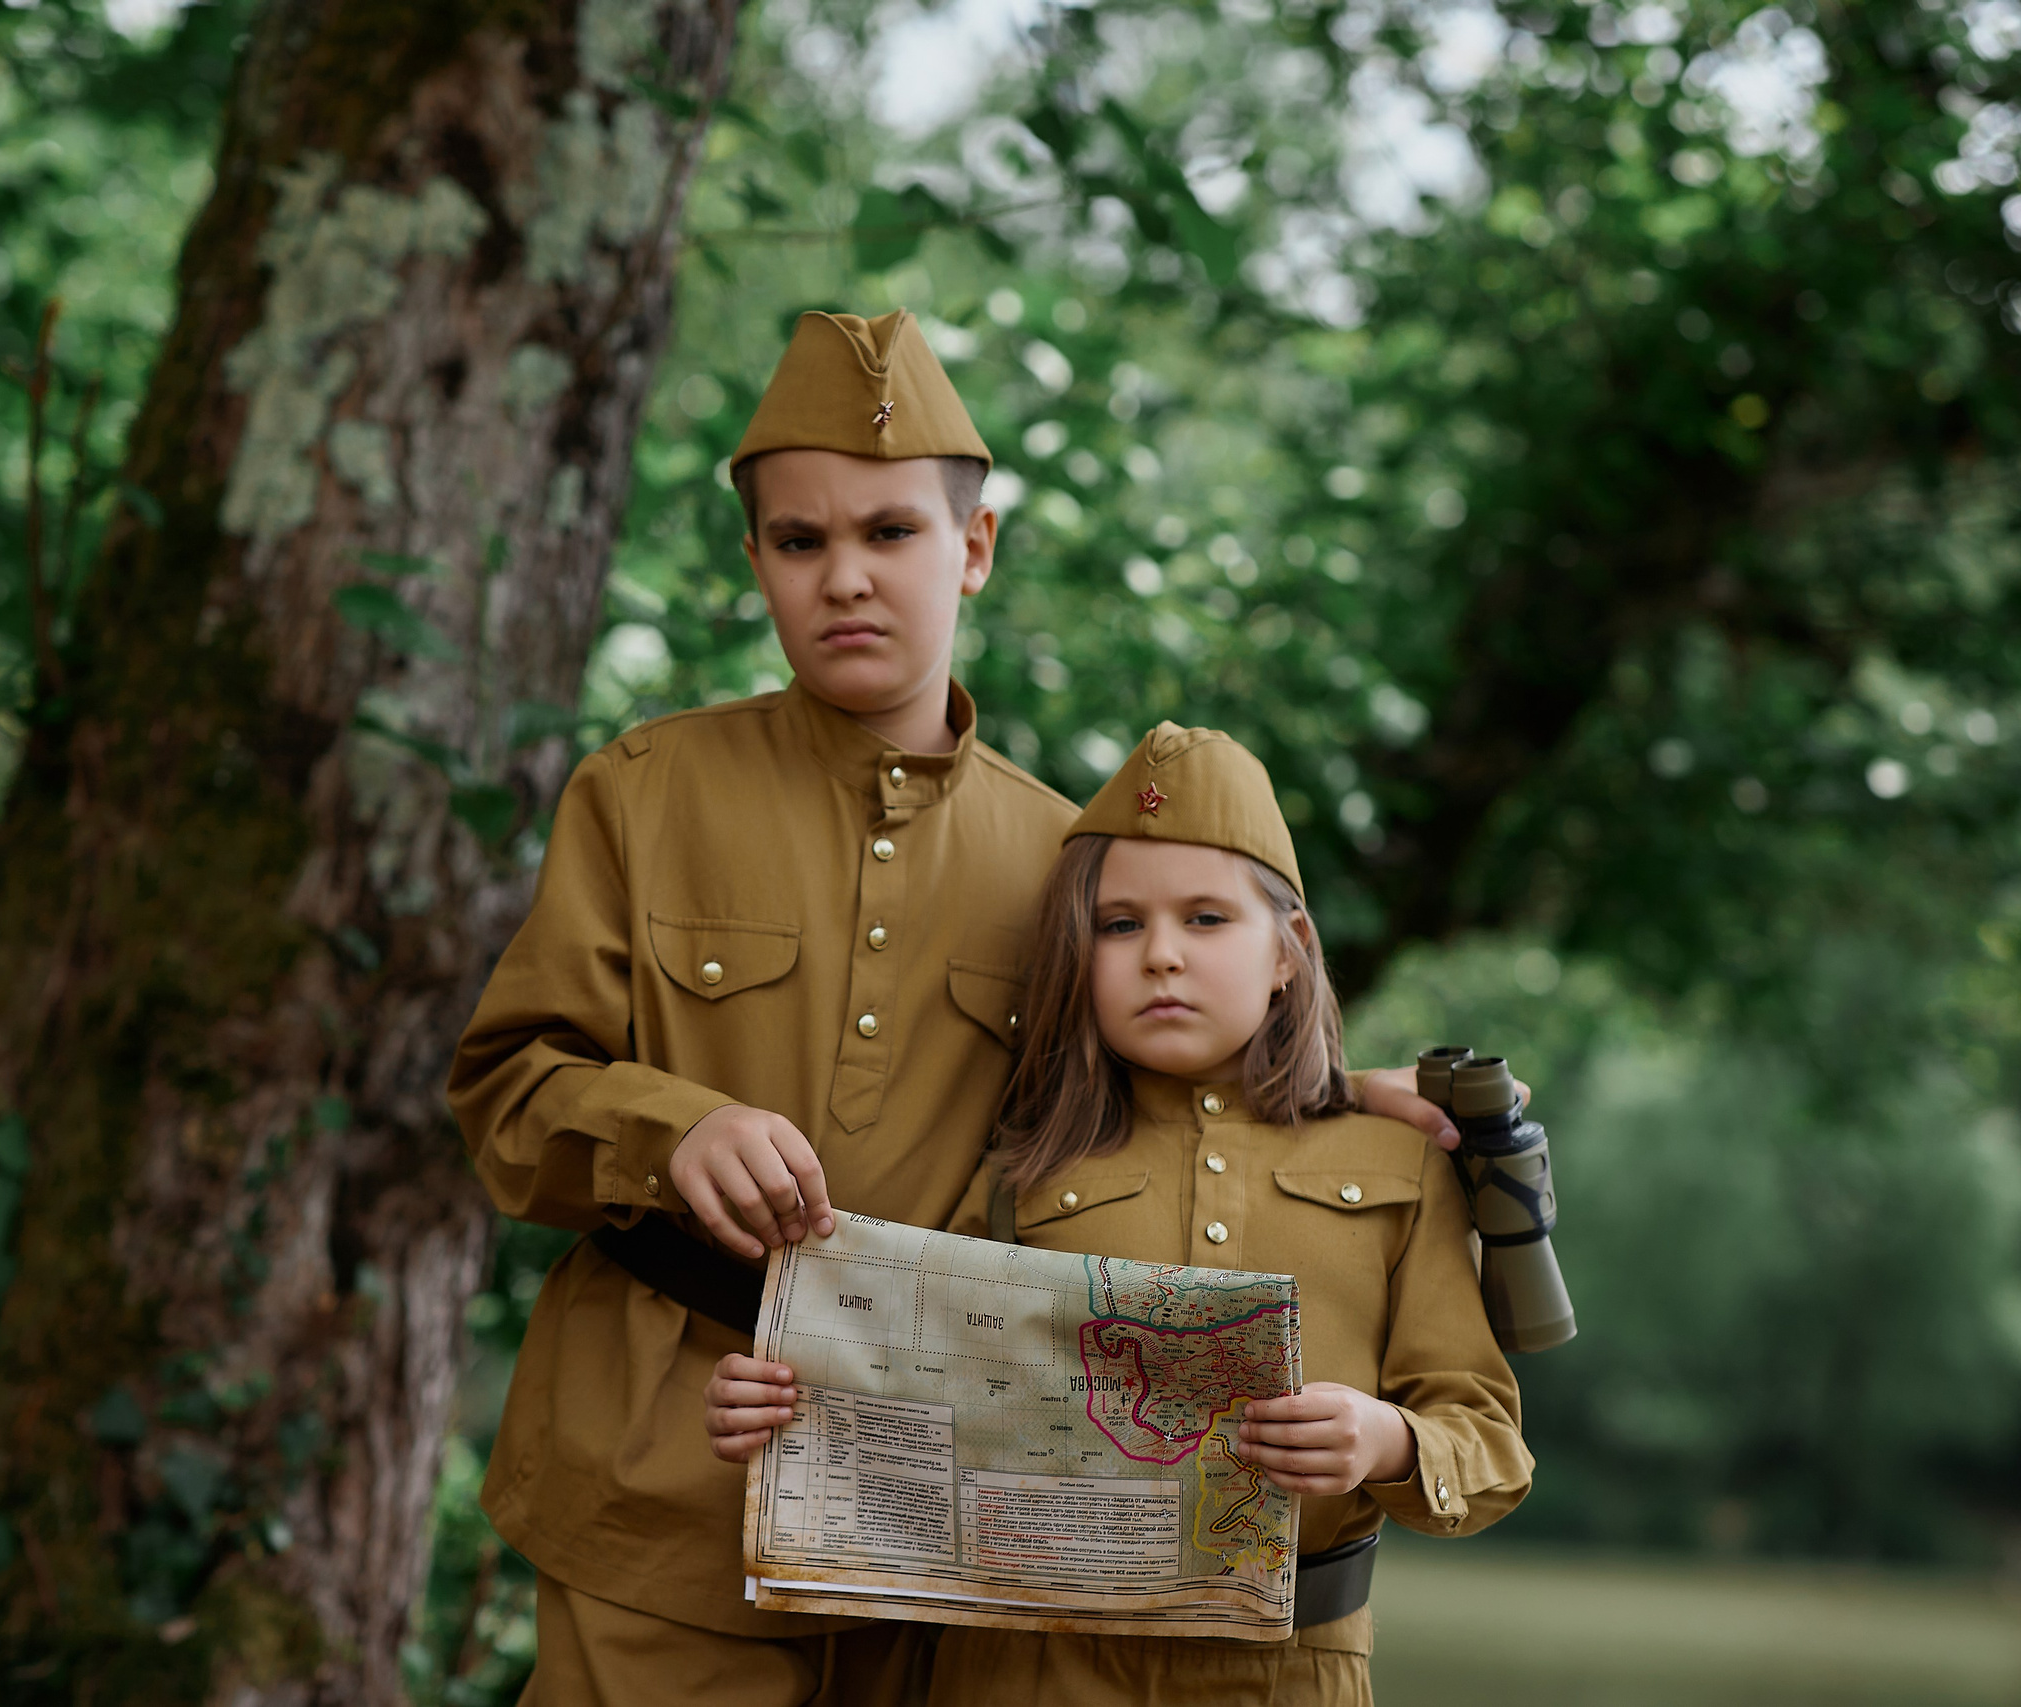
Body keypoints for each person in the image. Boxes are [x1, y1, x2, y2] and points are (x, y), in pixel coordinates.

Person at [452, 309, 1486, 1707]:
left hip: (945, 1513)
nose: (846, 578)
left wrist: (1343, 1092)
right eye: (801, 541)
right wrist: (666, 1124)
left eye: (891, 532)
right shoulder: (643, 792)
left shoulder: (1071, 864)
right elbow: (506, 1096)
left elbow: (1165, 1099)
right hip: (664, 1464)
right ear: (755, 560)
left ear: (975, 548)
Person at [704, 724, 1533, 1706]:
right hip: (1027, 1670)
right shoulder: (1024, 1165)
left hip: (1288, 1674)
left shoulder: (1399, 1166)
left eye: (1208, 919)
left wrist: (1385, 1440)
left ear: (1288, 952)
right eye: (1119, 924)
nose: (1162, 957)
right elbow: (908, 1398)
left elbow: (1488, 1444)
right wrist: (787, 1407)